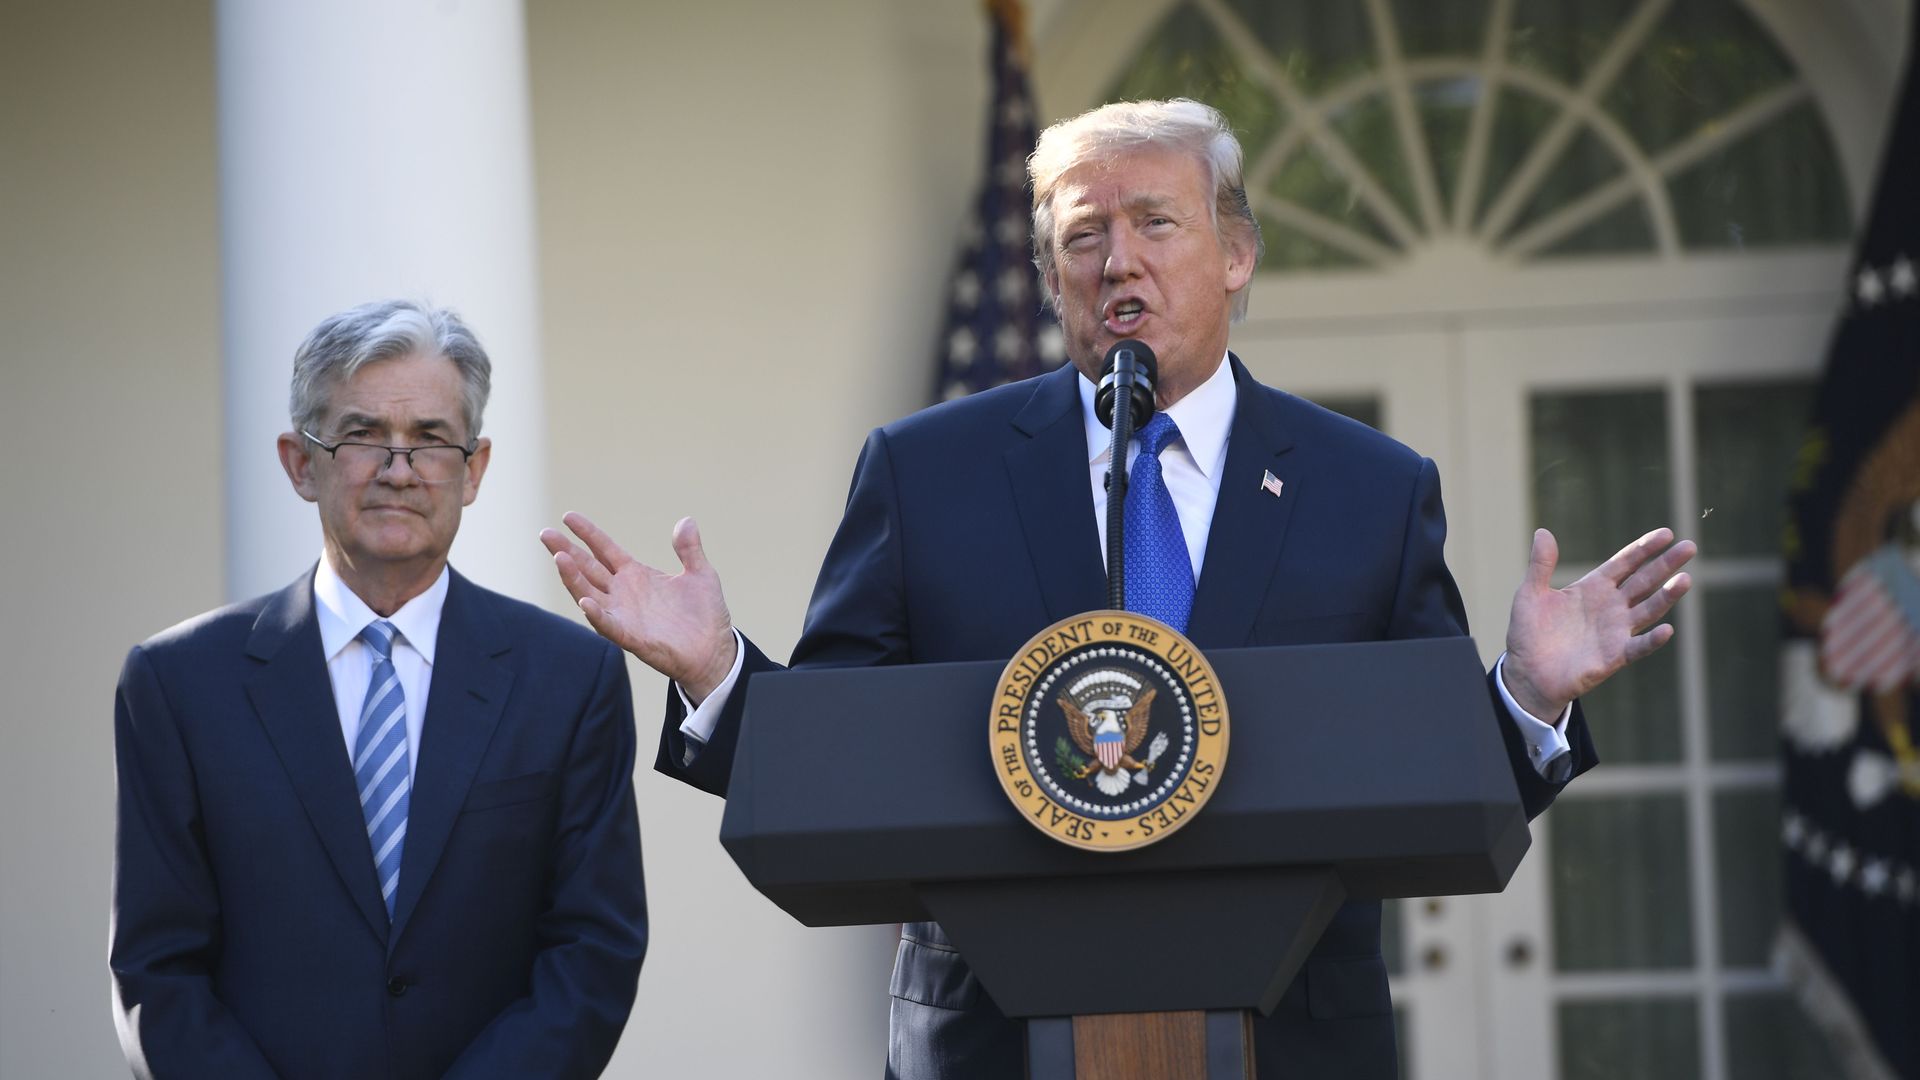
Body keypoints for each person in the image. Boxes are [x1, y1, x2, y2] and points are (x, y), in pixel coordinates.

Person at [542, 100, 1694, 1079]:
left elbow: (1437, 781)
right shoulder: (928, 473)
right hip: (991, 1043)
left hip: (1290, 1043)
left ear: (1236, 254)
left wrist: (1529, 696)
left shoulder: (1367, 489)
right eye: (1084, 235)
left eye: (1156, 223)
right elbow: (842, 773)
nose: (1118, 261)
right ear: (1052, 276)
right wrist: (718, 674)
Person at [112, 300, 648, 1079]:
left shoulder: (569, 678)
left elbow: (592, 953)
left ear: (474, 469)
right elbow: (156, 972)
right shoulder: (178, 684)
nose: (399, 470)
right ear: (301, 463)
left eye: (431, 440)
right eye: (363, 436)